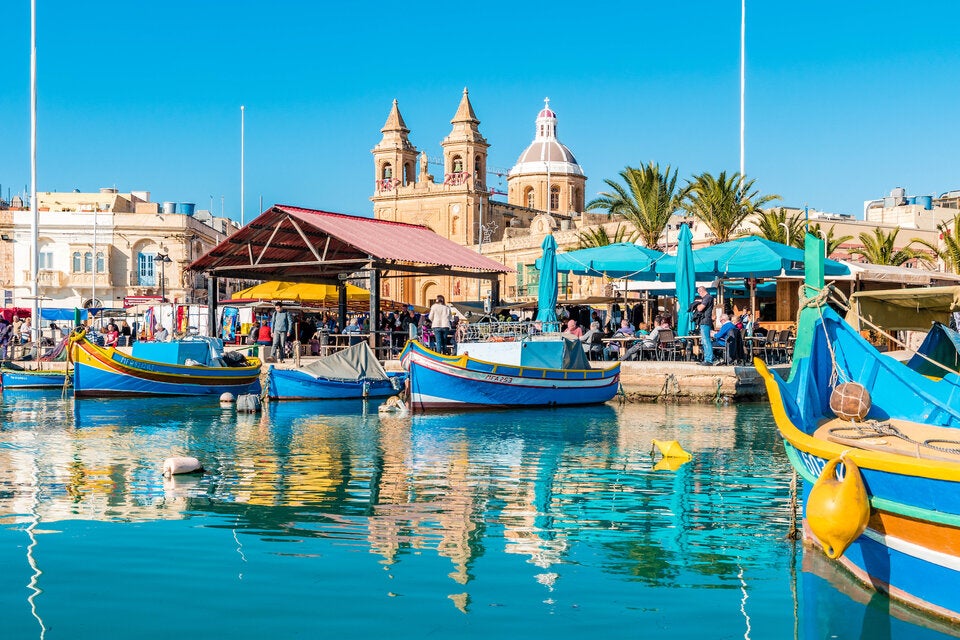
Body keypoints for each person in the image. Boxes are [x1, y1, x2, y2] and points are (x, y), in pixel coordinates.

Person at [695, 285, 715, 365]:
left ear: (701, 291)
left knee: (706, 340)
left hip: (705, 321)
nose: (699, 295)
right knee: (704, 340)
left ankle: (709, 359)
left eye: (699, 293)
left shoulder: (707, 298)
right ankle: (707, 359)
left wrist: (697, 305)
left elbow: (700, 308)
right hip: (705, 321)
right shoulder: (708, 298)